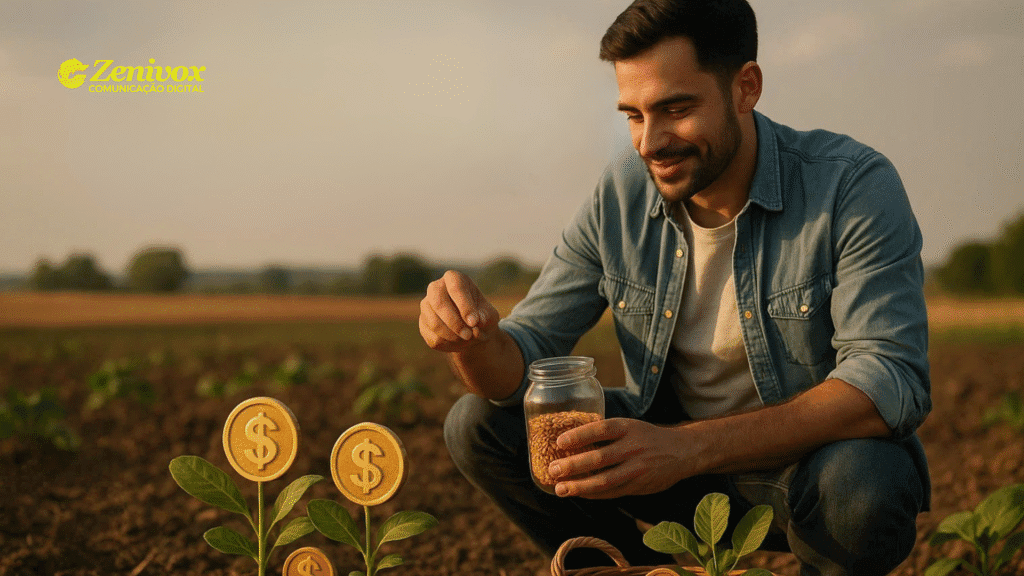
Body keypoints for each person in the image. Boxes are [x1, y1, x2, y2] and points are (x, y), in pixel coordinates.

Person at [419, 1, 931, 574]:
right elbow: (527, 351)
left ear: (746, 87)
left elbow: (886, 377)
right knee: (481, 425)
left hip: (800, 475)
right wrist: (472, 342)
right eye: (634, 115)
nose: (649, 142)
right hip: (662, 466)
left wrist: (689, 447)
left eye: (675, 109)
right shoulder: (622, 194)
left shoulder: (850, 186)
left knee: (865, 484)